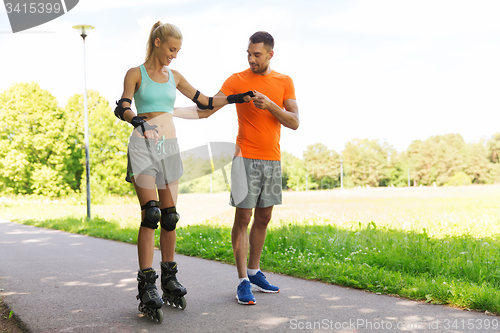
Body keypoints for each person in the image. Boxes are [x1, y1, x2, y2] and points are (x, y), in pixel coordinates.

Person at [114, 21, 255, 315]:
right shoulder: (135, 73)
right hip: (143, 147)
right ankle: (147, 282)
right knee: (150, 214)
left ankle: (169, 277)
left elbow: (203, 101)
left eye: (177, 50)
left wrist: (235, 99)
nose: (174, 55)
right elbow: (123, 105)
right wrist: (135, 119)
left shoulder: (174, 77)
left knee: (169, 217)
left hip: (170, 149)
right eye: (171, 49)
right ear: (157, 43)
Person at [211, 31, 300, 305]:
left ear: (270, 54)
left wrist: (270, 104)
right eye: (248, 54)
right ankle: (242, 281)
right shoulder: (237, 80)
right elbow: (208, 106)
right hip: (244, 158)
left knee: (263, 219)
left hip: (272, 160)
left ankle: (254, 271)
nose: (251, 59)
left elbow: (295, 121)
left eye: (257, 55)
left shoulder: (284, 82)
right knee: (243, 218)